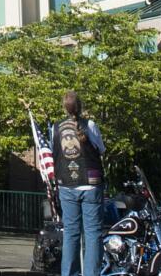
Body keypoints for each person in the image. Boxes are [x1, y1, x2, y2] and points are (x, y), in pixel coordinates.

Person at [50, 90, 106, 276]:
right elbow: (101, 150)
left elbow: (54, 151)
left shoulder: (56, 127)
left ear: (64, 108)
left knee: (71, 233)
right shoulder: (89, 125)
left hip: (66, 184)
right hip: (91, 183)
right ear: (80, 107)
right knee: (92, 233)